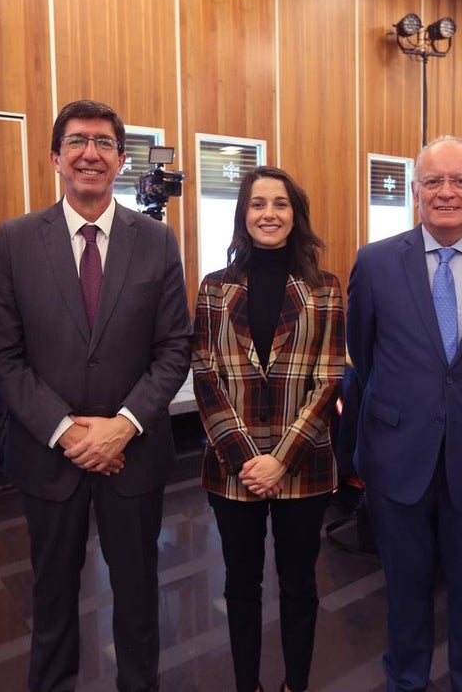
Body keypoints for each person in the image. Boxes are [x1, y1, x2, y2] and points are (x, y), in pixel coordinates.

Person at [0, 99, 193, 692]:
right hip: (50, 455)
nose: (90, 153)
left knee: (137, 595)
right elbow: (2, 354)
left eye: (104, 143)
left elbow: (174, 348)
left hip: (135, 454)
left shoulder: (156, 240)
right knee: (50, 597)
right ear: (55, 158)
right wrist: (67, 430)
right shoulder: (17, 239)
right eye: (77, 142)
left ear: (121, 159)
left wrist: (122, 425)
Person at [346, 136, 462, 692]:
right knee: (404, 589)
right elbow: (364, 349)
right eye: (433, 181)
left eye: (460, 181)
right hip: (397, 455)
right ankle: (405, 680)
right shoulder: (376, 262)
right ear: (414, 191)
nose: (446, 192)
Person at [193, 166, 345, 692]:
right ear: (243, 215)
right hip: (232, 469)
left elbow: (328, 379)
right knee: (241, 585)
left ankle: (294, 685)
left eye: (280, 204)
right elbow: (205, 376)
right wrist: (246, 460)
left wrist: (281, 458)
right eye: (257, 204)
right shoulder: (215, 288)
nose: (269, 214)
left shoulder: (325, 288)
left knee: (300, 585)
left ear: (295, 215)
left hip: (302, 466)